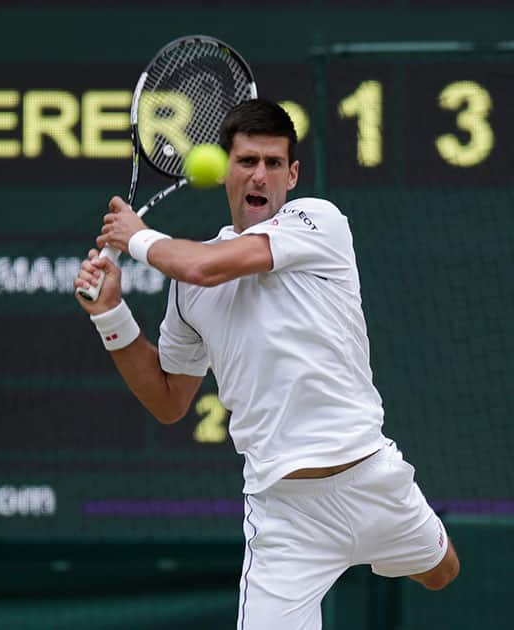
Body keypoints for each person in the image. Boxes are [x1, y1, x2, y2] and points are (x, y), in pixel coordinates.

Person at [74, 99, 459, 629]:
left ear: (292, 174)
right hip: (284, 515)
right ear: (225, 171)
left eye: (274, 163)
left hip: (369, 476)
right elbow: (168, 401)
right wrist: (111, 316)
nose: (261, 175)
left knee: (443, 573)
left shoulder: (318, 222)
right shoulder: (186, 286)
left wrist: (136, 237)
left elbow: (209, 266)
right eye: (247, 161)